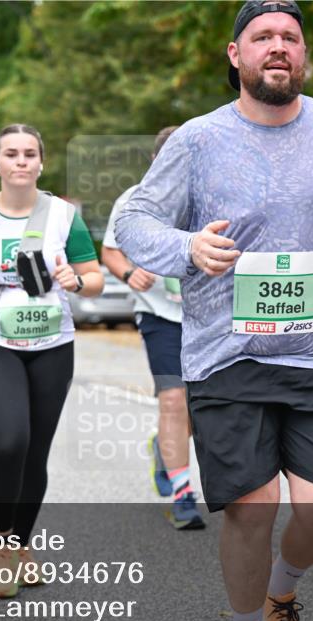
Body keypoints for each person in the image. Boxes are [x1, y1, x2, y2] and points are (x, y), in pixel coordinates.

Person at [113, 3, 313, 621]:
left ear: (304, 54)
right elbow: (133, 222)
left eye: (290, 36)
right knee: (251, 507)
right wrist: (187, 247)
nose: (278, 46)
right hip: (227, 354)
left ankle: (280, 592)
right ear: (236, 55)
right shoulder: (197, 140)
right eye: (262, 37)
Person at [0, 124, 103, 598]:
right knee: (10, 441)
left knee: (36, 452)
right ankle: (1, 548)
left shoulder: (63, 216)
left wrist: (75, 280)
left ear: (41, 163)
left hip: (52, 344)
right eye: (11, 153)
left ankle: (21, 545)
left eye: (30, 153)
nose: (21, 161)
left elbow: (94, 278)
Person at [101, 126, 205, 530]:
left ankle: (164, 446)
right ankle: (183, 494)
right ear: (155, 161)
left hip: (208, 317)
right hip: (159, 316)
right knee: (173, 400)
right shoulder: (135, 200)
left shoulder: (214, 194)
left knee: (199, 407)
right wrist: (130, 273)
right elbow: (110, 251)